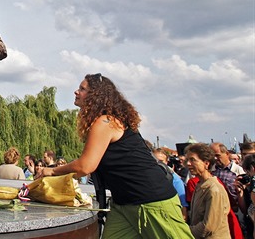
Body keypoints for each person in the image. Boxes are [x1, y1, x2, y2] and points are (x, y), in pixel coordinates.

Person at [38, 73, 193, 238]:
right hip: (123, 205)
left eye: (82, 89)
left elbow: (85, 166)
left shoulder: (106, 122)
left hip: (152, 201)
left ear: (96, 96)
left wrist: (52, 171)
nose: (76, 92)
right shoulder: (105, 122)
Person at [186, 143, 232, 238]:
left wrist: (184, 232)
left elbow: (208, 226)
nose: (188, 164)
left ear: (206, 163)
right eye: (187, 160)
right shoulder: (200, 185)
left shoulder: (213, 189)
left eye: (193, 160)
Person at [153, 148, 188, 220]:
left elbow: (183, 205)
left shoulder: (175, 179)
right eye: (155, 160)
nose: (157, 163)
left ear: (166, 162)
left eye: (161, 161)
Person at [211, 142, 244, 212]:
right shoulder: (211, 171)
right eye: (213, 156)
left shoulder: (238, 170)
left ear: (227, 154)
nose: (215, 158)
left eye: (218, 155)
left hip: (235, 210)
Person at [237, 154, 255, 239]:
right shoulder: (250, 186)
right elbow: (244, 210)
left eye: (247, 172)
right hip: (250, 228)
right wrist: (240, 192)